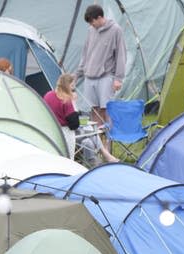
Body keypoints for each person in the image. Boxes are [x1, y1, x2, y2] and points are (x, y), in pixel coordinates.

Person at [75, 4, 126, 143]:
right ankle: (97, 144)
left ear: (100, 17)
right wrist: (78, 74)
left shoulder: (116, 30)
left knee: (106, 109)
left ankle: (108, 143)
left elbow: (121, 55)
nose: (91, 24)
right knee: (94, 111)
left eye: (92, 21)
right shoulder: (91, 30)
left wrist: (118, 79)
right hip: (89, 77)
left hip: (106, 76)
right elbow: (85, 54)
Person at [44, 74, 118, 163]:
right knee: (91, 131)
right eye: (71, 86)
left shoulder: (47, 95)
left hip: (51, 133)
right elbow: (74, 125)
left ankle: (95, 165)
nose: (72, 89)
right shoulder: (66, 100)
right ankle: (105, 154)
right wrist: (73, 103)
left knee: (88, 142)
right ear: (67, 86)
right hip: (66, 134)